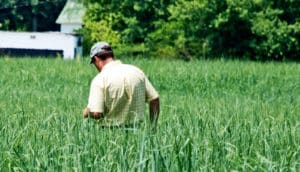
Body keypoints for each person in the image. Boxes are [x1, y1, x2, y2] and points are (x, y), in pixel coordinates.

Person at [83, 41, 160, 129]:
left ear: (96, 59)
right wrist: (153, 129)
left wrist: (87, 112)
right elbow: (154, 99)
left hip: (109, 134)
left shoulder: (100, 79)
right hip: (137, 134)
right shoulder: (136, 72)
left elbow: (97, 114)